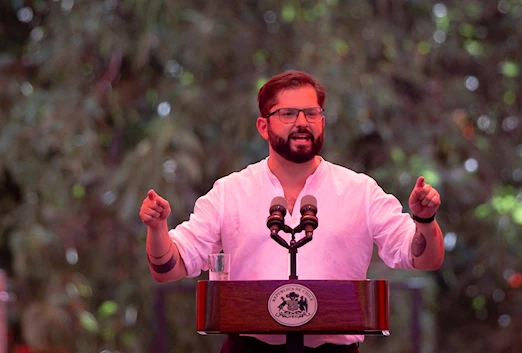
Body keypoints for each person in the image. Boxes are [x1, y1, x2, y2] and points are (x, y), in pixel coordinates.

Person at [139, 70, 444, 353]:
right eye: (288, 113)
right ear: (263, 126)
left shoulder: (359, 191)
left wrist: (425, 220)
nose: (302, 122)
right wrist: (157, 229)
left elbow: (424, 257)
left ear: (322, 122)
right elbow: (171, 267)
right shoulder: (230, 192)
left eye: (311, 113)